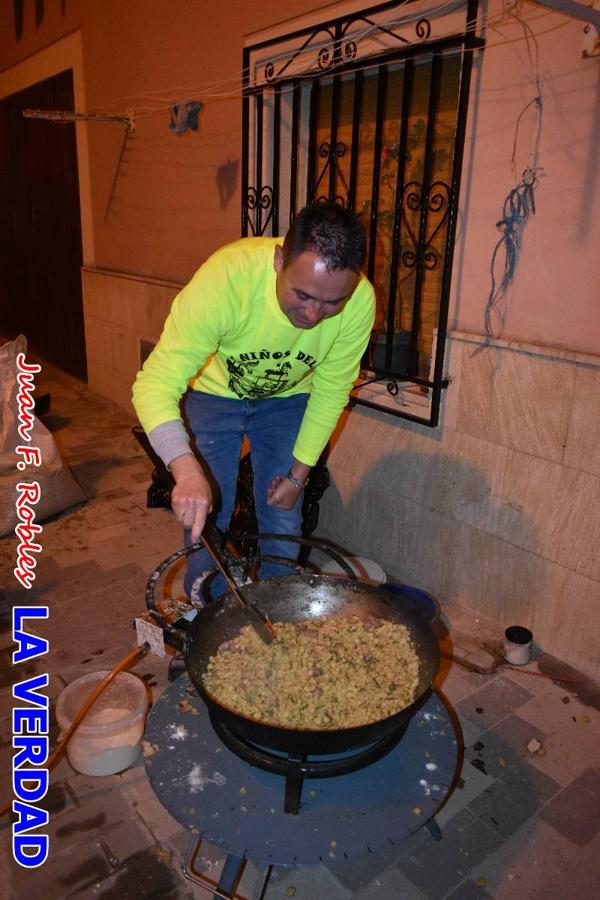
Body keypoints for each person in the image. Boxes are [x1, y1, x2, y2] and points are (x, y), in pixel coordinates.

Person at [132, 201, 375, 597]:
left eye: (333, 303)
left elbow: (331, 391)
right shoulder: (227, 279)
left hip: (289, 398)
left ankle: (282, 612)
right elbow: (155, 382)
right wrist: (185, 470)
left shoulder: (361, 302)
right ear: (279, 260)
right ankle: (206, 613)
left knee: (282, 514)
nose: (314, 315)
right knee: (209, 514)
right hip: (215, 394)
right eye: (303, 295)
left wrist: (299, 475)